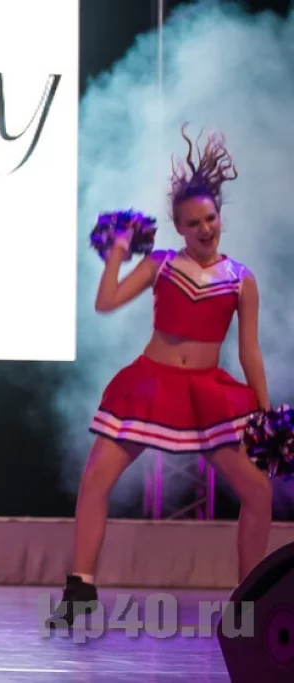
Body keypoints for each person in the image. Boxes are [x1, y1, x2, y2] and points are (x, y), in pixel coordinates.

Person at [49, 126, 274, 626]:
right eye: (193, 223)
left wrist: (264, 413)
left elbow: (250, 352)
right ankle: (80, 588)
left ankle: (250, 600)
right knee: (95, 479)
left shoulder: (241, 279)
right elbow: (106, 301)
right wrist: (117, 250)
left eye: (210, 218)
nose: (205, 229)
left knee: (258, 491)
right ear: (179, 227)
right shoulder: (161, 264)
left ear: (220, 216)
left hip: (208, 397)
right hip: (151, 386)